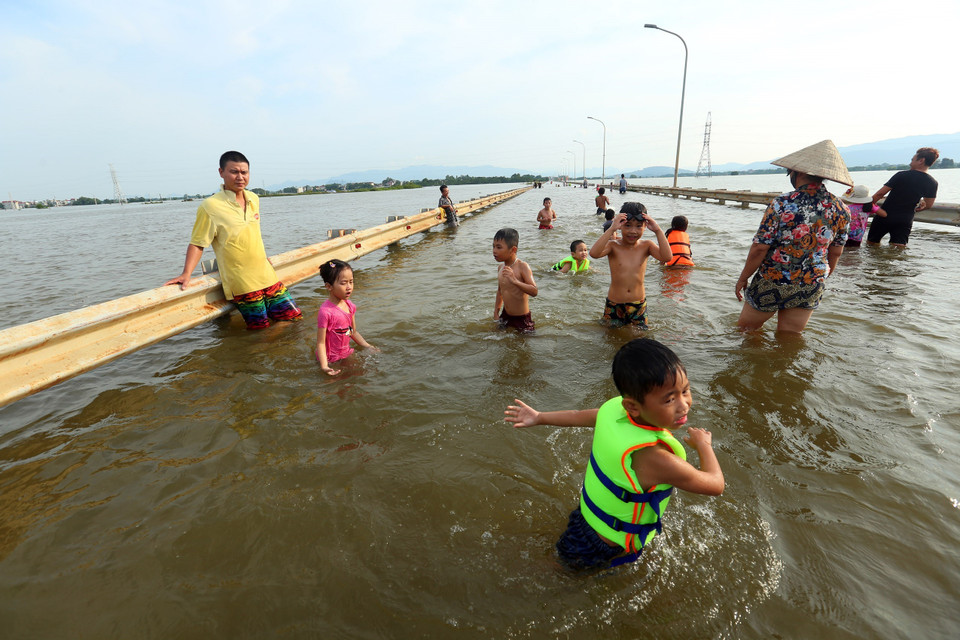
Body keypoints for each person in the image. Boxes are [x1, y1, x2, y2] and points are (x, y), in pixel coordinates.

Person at [504, 338, 724, 570]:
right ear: (633, 406)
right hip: (602, 545)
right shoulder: (656, 458)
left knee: (558, 560)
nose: (684, 405)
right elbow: (715, 485)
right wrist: (704, 445)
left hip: (587, 517)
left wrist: (539, 417)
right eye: (669, 399)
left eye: (685, 390)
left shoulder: (615, 410)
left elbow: (578, 415)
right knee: (557, 573)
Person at [164, 150, 302, 330]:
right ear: (221, 172)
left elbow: (250, 235)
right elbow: (198, 243)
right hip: (242, 284)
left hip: (267, 275)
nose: (240, 177)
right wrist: (186, 274)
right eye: (234, 172)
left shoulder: (253, 198)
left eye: (244, 172)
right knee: (260, 330)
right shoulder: (210, 206)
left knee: (293, 319)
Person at [735, 140, 852, 333]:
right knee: (790, 339)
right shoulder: (841, 209)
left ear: (799, 173)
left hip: (773, 279)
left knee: (746, 331)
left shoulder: (782, 203)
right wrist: (819, 276)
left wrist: (743, 278)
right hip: (811, 283)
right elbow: (836, 252)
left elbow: (760, 248)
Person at [589, 202, 672, 329]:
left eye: (639, 226)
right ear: (620, 225)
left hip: (638, 304)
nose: (633, 231)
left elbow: (667, 257)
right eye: (627, 225)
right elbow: (594, 253)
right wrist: (612, 228)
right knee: (611, 337)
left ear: (645, 227)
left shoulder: (647, 246)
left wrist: (658, 230)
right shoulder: (613, 245)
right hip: (615, 303)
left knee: (640, 338)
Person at [315, 259, 378, 375]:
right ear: (329, 286)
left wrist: (367, 346)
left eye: (351, 282)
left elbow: (352, 331)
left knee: (361, 374)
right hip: (330, 358)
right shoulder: (326, 312)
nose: (349, 287)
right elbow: (321, 343)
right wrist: (324, 366)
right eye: (343, 283)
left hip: (346, 352)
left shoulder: (350, 306)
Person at [866, 148, 939, 247]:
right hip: (905, 220)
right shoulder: (932, 182)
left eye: (912, 160)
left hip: (885, 216)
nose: (910, 163)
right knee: (898, 249)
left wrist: (867, 205)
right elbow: (928, 205)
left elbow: (880, 194)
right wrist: (915, 209)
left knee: (871, 245)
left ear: (921, 160)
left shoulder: (901, 175)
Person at [493, 228, 538, 332]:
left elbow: (534, 291)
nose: (494, 251)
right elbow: (500, 291)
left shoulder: (522, 266)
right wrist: (496, 312)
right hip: (505, 315)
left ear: (513, 250)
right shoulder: (501, 267)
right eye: (493, 246)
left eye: (499, 247)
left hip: (522, 318)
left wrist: (514, 280)